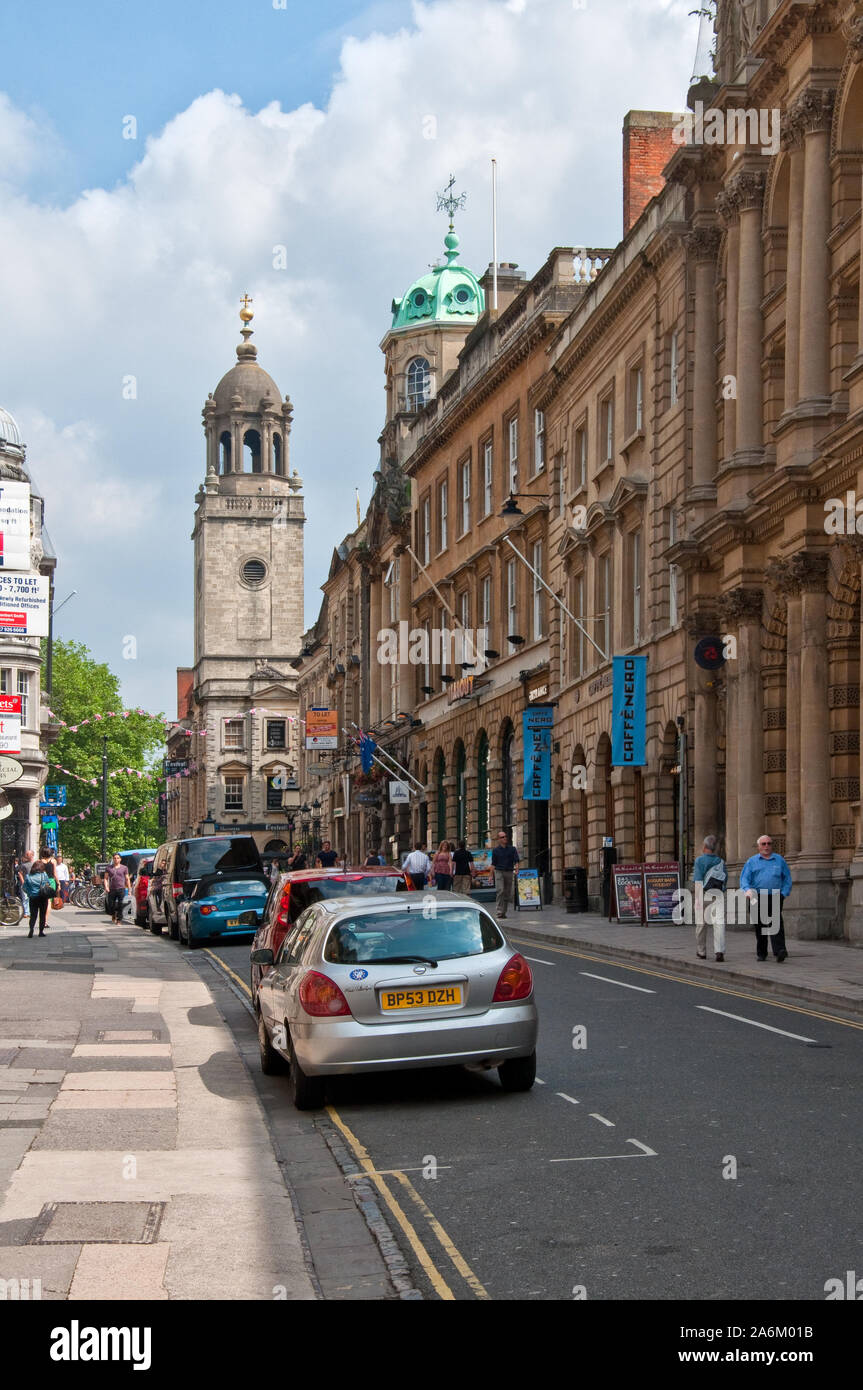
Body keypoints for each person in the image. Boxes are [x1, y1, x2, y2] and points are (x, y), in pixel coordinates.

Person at [740, 834, 791, 962]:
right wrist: (747, 891)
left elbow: (787, 878)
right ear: (758, 847)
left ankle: (780, 951)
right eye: (763, 844)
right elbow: (744, 879)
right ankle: (762, 953)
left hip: (775, 895)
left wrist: (784, 893)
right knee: (760, 926)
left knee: (776, 924)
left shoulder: (779, 860)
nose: (767, 846)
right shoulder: (752, 861)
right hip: (757, 897)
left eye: (769, 843)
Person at [692, 834, 727, 962]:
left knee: (701, 924)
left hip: (704, 894)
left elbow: (698, 881)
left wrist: (697, 899)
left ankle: (701, 951)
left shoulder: (699, 861)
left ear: (705, 846)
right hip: (717, 895)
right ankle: (719, 951)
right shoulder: (721, 861)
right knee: (719, 923)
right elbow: (725, 879)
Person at [491, 831, 519, 919]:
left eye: (505, 836)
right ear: (499, 839)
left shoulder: (512, 849)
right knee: (500, 890)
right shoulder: (495, 850)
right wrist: (490, 876)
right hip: (499, 871)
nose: (505, 838)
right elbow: (493, 864)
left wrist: (517, 869)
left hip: (509, 872)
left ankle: (504, 912)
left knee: (507, 893)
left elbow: (516, 860)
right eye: (502, 837)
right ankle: (499, 911)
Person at [23, 858, 52, 938]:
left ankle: (31, 929)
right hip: (42, 897)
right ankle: (41, 931)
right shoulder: (44, 875)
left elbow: (24, 888)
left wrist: (30, 893)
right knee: (42, 915)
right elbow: (48, 884)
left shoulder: (28, 876)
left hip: (33, 897)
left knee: (33, 915)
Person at [103, 852, 131, 925]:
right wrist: (106, 887)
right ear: (113, 859)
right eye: (115, 858)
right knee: (111, 905)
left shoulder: (124, 868)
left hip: (121, 888)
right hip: (112, 889)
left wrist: (129, 889)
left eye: (118, 858)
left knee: (121, 905)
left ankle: (119, 920)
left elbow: (127, 878)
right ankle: (113, 914)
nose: (116, 859)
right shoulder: (109, 868)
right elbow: (105, 878)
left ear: (120, 859)